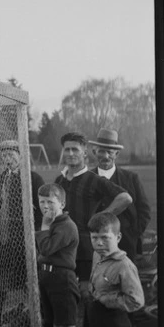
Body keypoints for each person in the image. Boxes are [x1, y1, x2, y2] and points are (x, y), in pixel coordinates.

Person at [54, 132, 132, 314]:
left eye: (75, 149)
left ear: (84, 153)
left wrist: (101, 217)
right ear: (63, 153)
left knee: (87, 292)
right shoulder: (59, 181)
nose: (71, 153)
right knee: (65, 291)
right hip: (64, 247)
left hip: (86, 249)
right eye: (67, 149)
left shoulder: (94, 179)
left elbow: (125, 198)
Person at [0, 140, 44, 326]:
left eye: (11, 155)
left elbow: (42, 210)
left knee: (29, 278)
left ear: (20, 156)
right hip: (4, 239)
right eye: (4, 156)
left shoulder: (32, 179)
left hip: (25, 239)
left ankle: (35, 316)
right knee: (2, 280)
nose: (7, 159)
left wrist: (36, 236)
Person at [34, 184, 83, 327]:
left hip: (63, 281)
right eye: (42, 202)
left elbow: (46, 248)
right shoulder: (52, 223)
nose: (46, 207)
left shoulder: (65, 226)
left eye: (51, 202)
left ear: (62, 204)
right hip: (49, 280)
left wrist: (43, 227)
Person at [88, 128, 151, 262]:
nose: (106, 156)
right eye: (101, 151)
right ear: (94, 152)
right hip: (94, 248)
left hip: (126, 246)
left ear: (116, 154)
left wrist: (132, 234)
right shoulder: (86, 179)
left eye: (110, 152)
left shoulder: (131, 178)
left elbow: (144, 211)